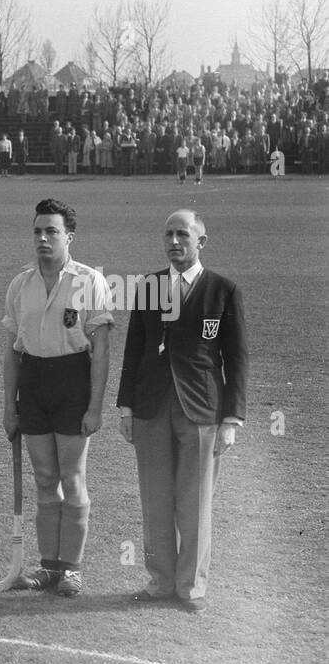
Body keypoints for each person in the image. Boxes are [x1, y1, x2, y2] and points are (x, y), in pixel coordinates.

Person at [116, 210, 247, 613]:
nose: (174, 242)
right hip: (152, 407)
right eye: (169, 234)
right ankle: (160, 582)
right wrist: (125, 405)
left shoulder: (223, 289)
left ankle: (191, 588)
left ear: (200, 241)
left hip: (202, 411)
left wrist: (231, 419)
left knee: (194, 501)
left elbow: (236, 358)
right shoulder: (149, 285)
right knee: (155, 499)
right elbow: (134, 347)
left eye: (183, 235)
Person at [1, 198, 113, 597]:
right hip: (33, 383)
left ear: (69, 237)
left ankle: (72, 569)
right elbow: (13, 351)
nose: (43, 238)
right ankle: (49, 567)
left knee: (72, 476)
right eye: (37, 231)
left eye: (51, 231)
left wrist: (95, 406)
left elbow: (100, 351)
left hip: (72, 382)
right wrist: (8, 404)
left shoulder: (89, 281)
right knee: (45, 479)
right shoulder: (20, 283)